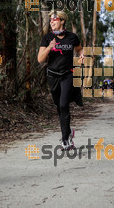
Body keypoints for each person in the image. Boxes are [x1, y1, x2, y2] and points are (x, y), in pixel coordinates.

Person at [37, 9, 84, 150]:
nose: (51, 21)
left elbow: (79, 49)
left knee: (64, 104)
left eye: (55, 19)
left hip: (68, 75)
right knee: (59, 106)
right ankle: (68, 132)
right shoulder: (47, 38)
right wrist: (50, 47)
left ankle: (65, 140)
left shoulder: (72, 37)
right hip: (53, 76)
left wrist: (81, 55)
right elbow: (40, 59)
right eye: (50, 19)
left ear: (62, 21)